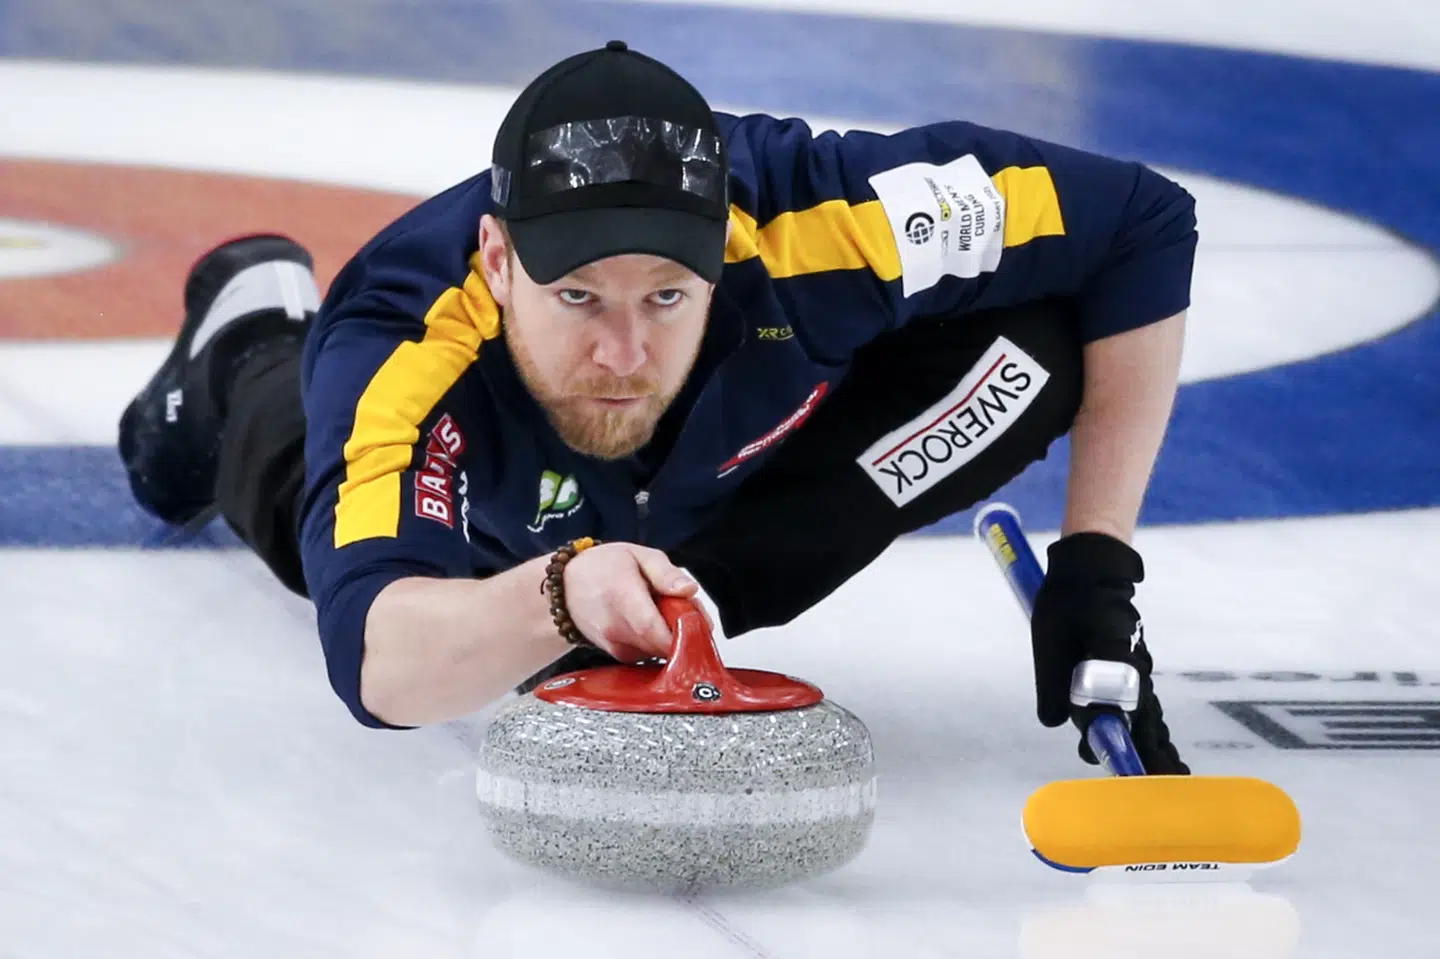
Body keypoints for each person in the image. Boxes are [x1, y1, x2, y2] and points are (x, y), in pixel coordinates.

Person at [118, 40, 1192, 773]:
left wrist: (1099, 568)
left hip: (736, 459)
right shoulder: (408, 335)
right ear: (498, 259)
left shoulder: (834, 217)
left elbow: (1143, 223)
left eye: (666, 296)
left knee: (1038, 347)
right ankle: (249, 340)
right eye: (577, 295)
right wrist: (553, 591)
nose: (624, 351)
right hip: (504, 505)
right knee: (317, 504)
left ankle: (683, 605)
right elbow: (380, 663)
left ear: (724, 248)